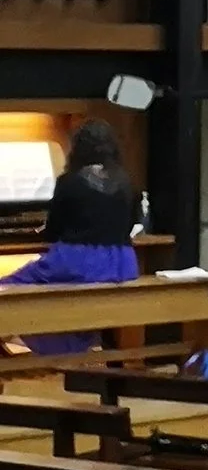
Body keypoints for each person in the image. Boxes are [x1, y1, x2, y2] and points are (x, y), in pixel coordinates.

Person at [7, 117, 142, 356]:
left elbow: (53, 232)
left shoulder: (69, 182)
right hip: (122, 264)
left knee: (9, 288)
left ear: (77, 149)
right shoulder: (126, 181)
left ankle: (40, 349)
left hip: (80, 262)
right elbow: (132, 224)